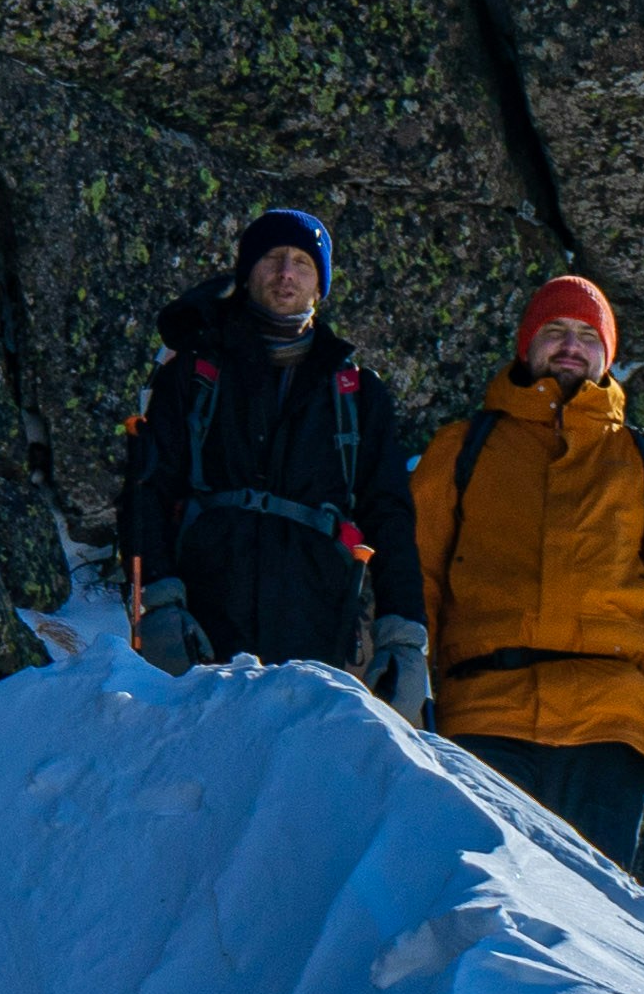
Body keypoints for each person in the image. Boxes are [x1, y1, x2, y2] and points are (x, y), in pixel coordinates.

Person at [405, 271, 644, 865]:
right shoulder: (460, 449)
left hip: (609, 732)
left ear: (608, 356)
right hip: (481, 714)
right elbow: (414, 579)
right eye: (554, 330)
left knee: (590, 933)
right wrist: (408, 691)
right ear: (527, 345)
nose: (570, 345)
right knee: (476, 912)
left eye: (587, 334)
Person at [117, 209, 429, 715]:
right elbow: (147, 492)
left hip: (319, 627)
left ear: (319, 286)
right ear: (247, 271)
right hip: (203, 622)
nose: (287, 273)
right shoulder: (195, 375)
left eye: (303, 263)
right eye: (273, 258)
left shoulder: (357, 393)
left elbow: (389, 515)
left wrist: (403, 636)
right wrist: (158, 603)